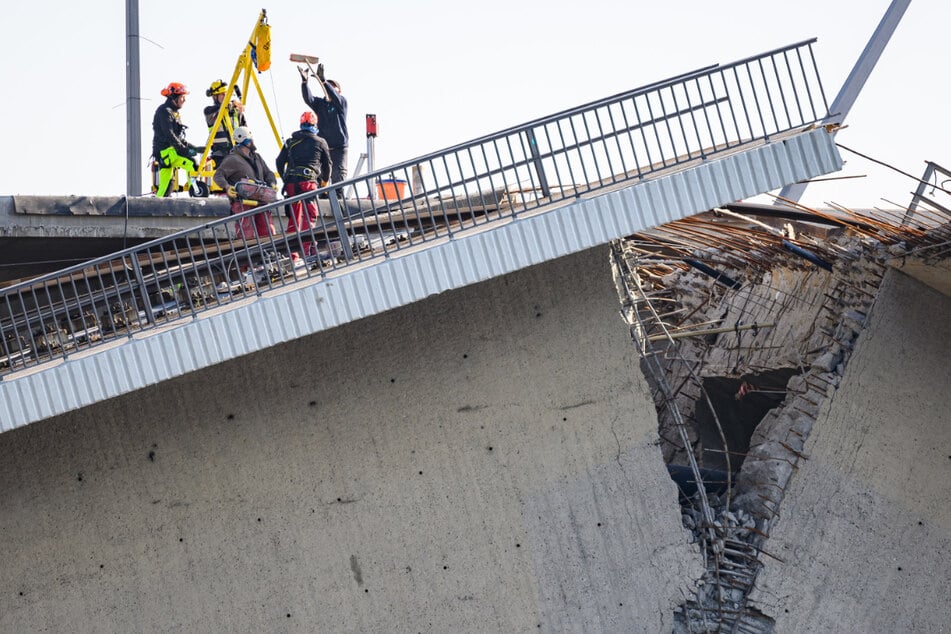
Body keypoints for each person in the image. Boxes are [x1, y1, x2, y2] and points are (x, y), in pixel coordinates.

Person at [276, 112, 332, 257]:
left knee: (294, 218)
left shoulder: (290, 142)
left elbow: (279, 161)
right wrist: (325, 181)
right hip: (308, 184)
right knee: (310, 216)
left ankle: (292, 255)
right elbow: (328, 165)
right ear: (315, 125)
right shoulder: (320, 142)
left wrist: (285, 178)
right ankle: (309, 251)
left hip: (291, 184)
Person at [212, 127, 278, 239]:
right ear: (247, 141)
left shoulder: (257, 158)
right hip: (243, 202)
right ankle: (249, 256)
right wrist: (227, 187)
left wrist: (272, 182)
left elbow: (268, 173)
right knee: (247, 234)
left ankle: (270, 254)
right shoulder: (232, 159)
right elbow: (218, 175)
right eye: (251, 140)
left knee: (268, 232)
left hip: (260, 201)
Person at [299, 63, 348, 185]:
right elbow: (308, 99)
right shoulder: (321, 104)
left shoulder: (341, 103)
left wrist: (324, 81)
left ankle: (339, 201)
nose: (329, 88)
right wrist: (305, 83)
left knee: (338, 179)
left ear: (339, 91)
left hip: (339, 148)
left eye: (333, 87)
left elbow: (335, 97)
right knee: (321, 178)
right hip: (324, 147)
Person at [151, 82, 203, 197]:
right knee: (192, 163)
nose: (184, 100)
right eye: (182, 97)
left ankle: (158, 205)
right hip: (167, 153)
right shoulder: (164, 111)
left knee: (166, 187)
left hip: (168, 153)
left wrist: (196, 148)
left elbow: (177, 138)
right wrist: (184, 150)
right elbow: (170, 135)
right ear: (174, 98)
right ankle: (196, 193)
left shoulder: (172, 112)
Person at [203, 79, 247, 167]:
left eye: (227, 94)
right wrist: (230, 104)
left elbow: (246, 131)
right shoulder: (209, 111)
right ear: (215, 97)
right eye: (223, 94)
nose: (226, 96)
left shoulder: (236, 112)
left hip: (237, 154)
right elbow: (217, 110)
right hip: (219, 155)